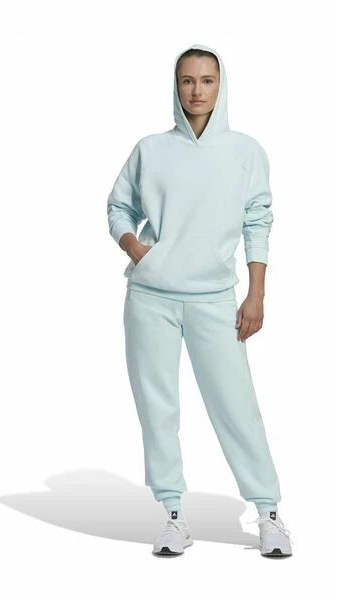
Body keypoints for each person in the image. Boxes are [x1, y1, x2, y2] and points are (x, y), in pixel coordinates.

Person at [107, 43, 293, 558]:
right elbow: (118, 206)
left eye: (207, 80)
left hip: (214, 297)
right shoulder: (150, 149)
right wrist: (136, 249)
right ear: (176, 86)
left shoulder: (245, 152)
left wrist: (256, 293)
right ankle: (172, 513)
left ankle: (268, 512)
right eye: (187, 80)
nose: (196, 90)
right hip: (150, 297)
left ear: (220, 85)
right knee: (157, 407)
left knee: (236, 406)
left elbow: (258, 221)